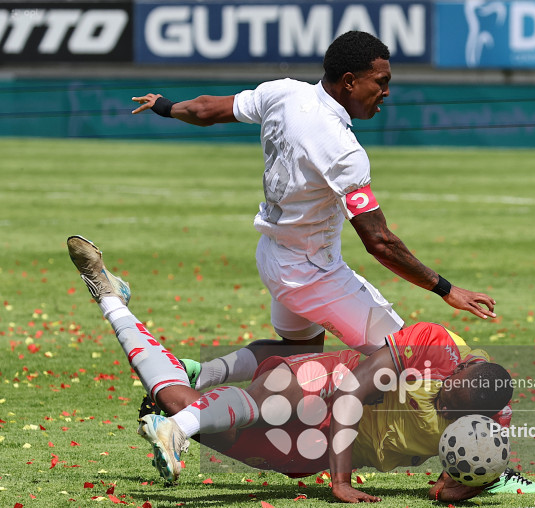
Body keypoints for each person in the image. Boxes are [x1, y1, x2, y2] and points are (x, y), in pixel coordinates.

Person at [67, 235, 535, 503]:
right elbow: (349, 395)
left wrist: (467, 483)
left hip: (319, 449)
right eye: (448, 394)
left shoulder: (487, 428)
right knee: (273, 392)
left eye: (453, 409)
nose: (444, 403)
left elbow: (451, 486)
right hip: (331, 385)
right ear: (459, 372)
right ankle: (118, 314)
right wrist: (341, 483)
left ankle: (121, 308)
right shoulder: (435, 346)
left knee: (175, 402)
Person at [130, 31, 496, 370]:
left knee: (294, 355)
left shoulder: (284, 92)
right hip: (311, 274)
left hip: (273, 256)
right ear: (350, 81)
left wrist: (165, 105)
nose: (386, 92)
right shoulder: (342, 149)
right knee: (411, 357)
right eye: (381, 83)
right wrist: (447, 289)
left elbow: (206, 109)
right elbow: (380, 242)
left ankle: (197, 374)